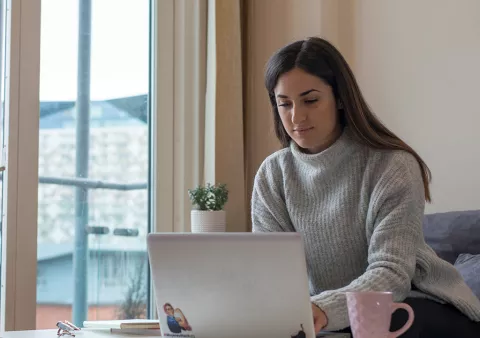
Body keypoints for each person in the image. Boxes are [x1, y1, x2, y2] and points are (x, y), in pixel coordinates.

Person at [251, 36, 480, 337]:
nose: (296, 117)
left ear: (341, 98)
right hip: (330, 316)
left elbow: (392, 274)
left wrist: (322, 309)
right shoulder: (272, 174)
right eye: (284, 104)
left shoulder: (393, 166)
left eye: (310, 100)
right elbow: (271, 274)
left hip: (417, 304)